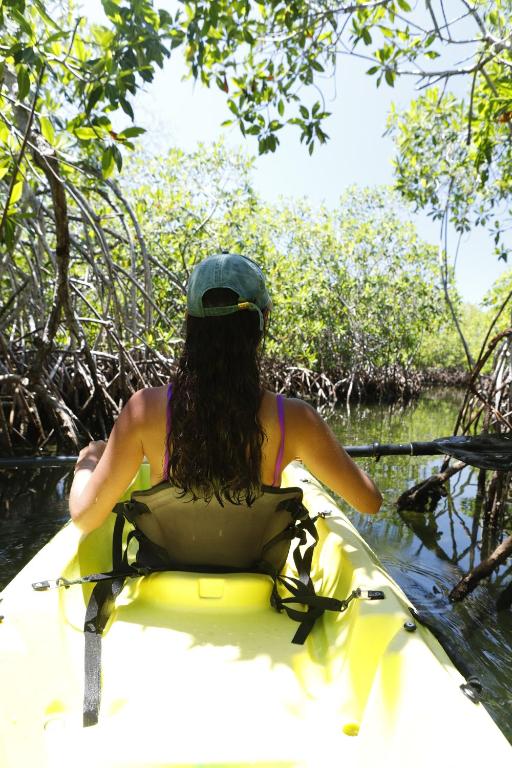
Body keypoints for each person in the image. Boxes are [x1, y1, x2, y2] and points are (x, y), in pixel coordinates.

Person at [69, 252, 382, 535]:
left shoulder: (143, 411)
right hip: (257, 585)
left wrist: (89, 458)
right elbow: (369, 502)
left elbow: (84, 518)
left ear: (190, 323)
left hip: (170, 583)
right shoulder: (297, 420)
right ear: (264, 320)